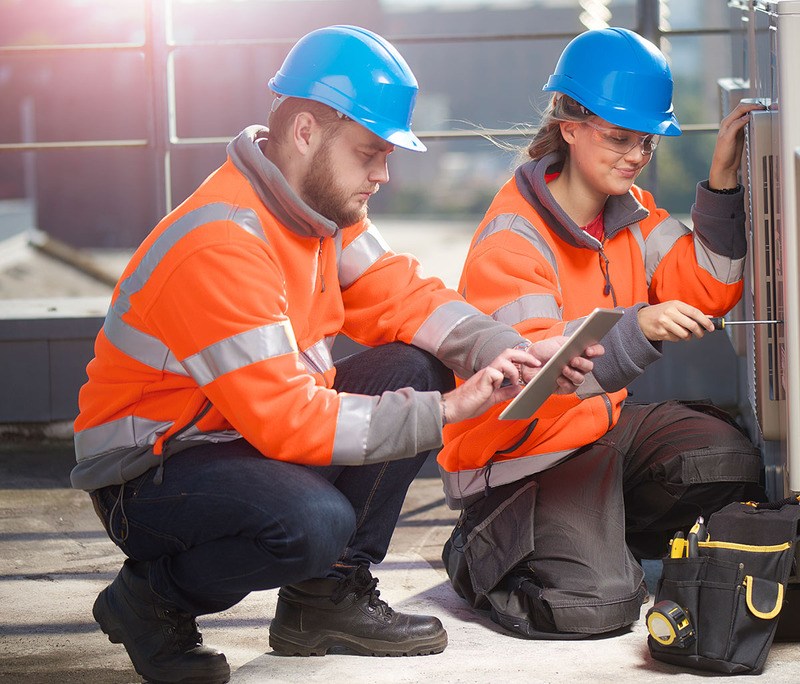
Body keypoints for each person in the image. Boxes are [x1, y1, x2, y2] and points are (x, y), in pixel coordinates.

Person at [71, 24, 600, 684]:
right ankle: (149, 601)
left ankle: (324, 602)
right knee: (313, 523)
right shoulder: (223, 243)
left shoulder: (320, 214)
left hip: (231, 436)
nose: (384, 174)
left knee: (414, 363)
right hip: (149, 471)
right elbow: (288, 421)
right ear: (305, 133)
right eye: (371, 153)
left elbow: (406, 298)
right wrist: (448, 409)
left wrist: (512, 349)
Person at [438, 26, 766, 640]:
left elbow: (709, 286)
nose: (635, 155)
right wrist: (637, 330)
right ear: (569, 125)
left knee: (731, 462)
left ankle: (594, 532)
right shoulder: (513, 241)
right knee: (597, 606)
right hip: (522, 461)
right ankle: (479, 550)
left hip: (601, 432)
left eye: (646, 141)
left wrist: (722, 178)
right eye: (619, 138)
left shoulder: (633, 214)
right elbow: (536, 388)